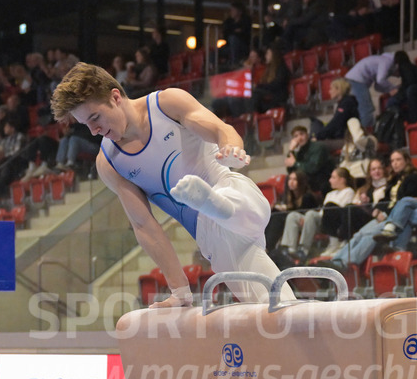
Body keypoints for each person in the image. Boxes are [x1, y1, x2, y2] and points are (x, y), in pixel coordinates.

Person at [50, 62, 291, 304]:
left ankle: (215, 203)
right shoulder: (109, 163)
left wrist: (231, 148)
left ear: (115, 97)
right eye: (86, 125)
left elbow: (221, 130)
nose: (94, 131)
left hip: (233, 193)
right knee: (278, 309)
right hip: (212, 239)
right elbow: (144, 225)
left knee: (233, 197)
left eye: (95, 118)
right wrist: (179, 290)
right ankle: (213, 206)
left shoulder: (167, 105)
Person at [280, 166, 356, 259]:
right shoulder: (330, 194)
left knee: (311, 214)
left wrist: (310, 217)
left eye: (333, 177)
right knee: (293, 216)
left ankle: (304, 249)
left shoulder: (349, 192)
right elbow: (322, 213)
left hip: (335, 223)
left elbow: (339, 211)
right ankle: (289, 249)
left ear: (342, 180)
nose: (330, 180)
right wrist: (307, 219)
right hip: (322, 219)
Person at [266, 170, 318, 250]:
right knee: (273, 215)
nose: (291, 182)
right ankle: (265, 245)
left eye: (295, 179)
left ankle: (270, 247)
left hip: (306, 223)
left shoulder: (307, 197)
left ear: (301, 182)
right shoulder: (289, 197)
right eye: (290, 179)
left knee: (278, 218)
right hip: (293, 220)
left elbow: (305, 213)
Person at [344, 51, 397, 130]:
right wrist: (393, 88)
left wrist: (390, 90)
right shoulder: (387, 62)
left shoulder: (380, 60)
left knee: (359, 111)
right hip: (356, 80)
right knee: (366, 110)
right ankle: (366, 134)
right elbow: (380, 80)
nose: (398, 77)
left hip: (352, 79)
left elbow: (377, 86)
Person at [284, 124, 333, 196]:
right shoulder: (298, 151)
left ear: (307, 134)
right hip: (306, 179)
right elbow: (290, 170)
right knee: (289, 179)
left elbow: (313, 168)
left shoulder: (318, 147)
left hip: (320, 178)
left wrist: (295, 163)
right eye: (296, 136)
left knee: (297, 180)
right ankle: (290, 203)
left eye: (301, 134)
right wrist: (291, 150)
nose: (299, 138)